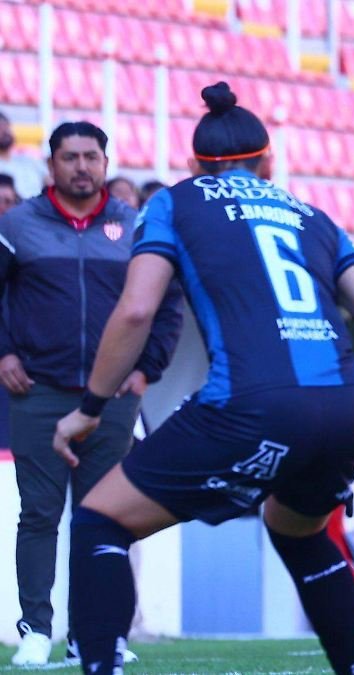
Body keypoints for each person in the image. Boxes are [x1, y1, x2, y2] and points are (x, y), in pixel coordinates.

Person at [51, 82, 354, 675]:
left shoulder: (175, 203)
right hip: (345, 409)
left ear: (193, 165)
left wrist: (89, 407)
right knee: (298, 531)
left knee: (100, 520)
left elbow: (135, 312)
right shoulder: (311, 216)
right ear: (268, 163)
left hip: (251, 405)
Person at [0, 121, 183, 667]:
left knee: (102, 517)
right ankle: (36, 630)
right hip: (39, 392)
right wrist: (4, 353)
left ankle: (93, 635)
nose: (81, 166)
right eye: (70, 157)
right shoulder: (16, 225)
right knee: (39, 515)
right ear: (50, 164)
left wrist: (147, 368)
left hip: (113, 400)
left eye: (91, 157)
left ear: (105, 162)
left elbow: (168, 300)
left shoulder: (137, 225)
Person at [0, 111, 49, 199]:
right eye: (0, 128)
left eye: (7, 127)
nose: (5, 131)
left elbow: (51, 184)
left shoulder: (30, 161)